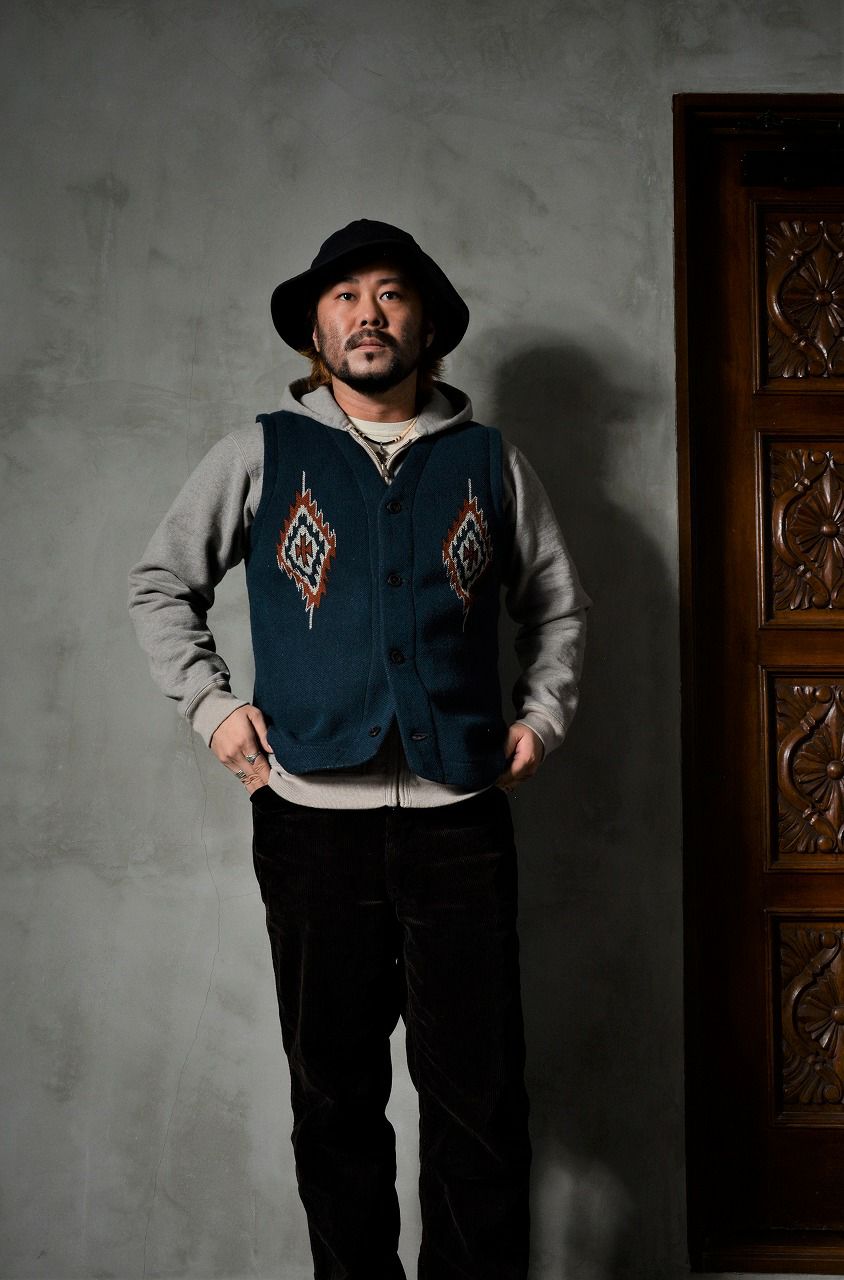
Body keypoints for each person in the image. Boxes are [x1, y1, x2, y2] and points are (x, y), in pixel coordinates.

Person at [128, 219, 589, 1280]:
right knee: (333, 1096)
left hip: (460, 823)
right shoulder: (259, 452)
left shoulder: (489, 460)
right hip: (309, 828)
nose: (367, 314)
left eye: (390, 293)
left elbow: (558, 605)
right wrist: (212, 707)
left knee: (477, 1097)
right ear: (316, 329)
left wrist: (541, 716)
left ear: (427, 324)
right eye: (345, 296)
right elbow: (160, 584)